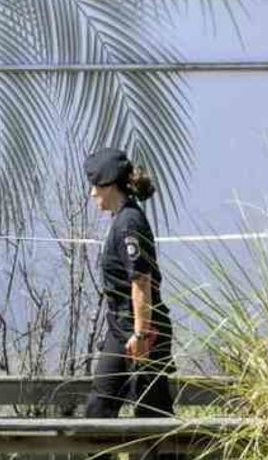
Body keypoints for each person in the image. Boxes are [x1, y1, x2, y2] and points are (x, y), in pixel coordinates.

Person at [83, 148, 178, 435]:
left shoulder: (129, 223)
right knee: (98, 412)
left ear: (110, 185)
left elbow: (141, 282)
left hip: (142, 332)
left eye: (95, 185)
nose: (92, 193)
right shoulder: (121, 218)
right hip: (120, 329)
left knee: (152, 419)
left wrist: (140, 333)